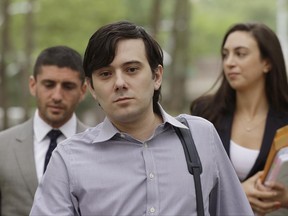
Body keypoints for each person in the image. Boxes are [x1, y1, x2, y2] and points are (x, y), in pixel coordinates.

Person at [30, 21, 253, 216]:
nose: (119, 83)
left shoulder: (201, 136)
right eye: (105, 74)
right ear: (92, 88)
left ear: (156, 76)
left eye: (132, 69)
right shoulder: (69, 159)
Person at [190, 22, 288, 215]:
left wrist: (285, 198)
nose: (229, 62)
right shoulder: (205, 113)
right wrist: (238, 193)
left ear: (267, 62)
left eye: (240, 54)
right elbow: (188, 183)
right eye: (225, 55)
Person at [0, 45, 88, 216]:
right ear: (33, 85)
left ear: (83, 90)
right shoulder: (2, 146)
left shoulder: (99, 147)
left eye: (68, 86)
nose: (56, 96)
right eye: (49, 84)